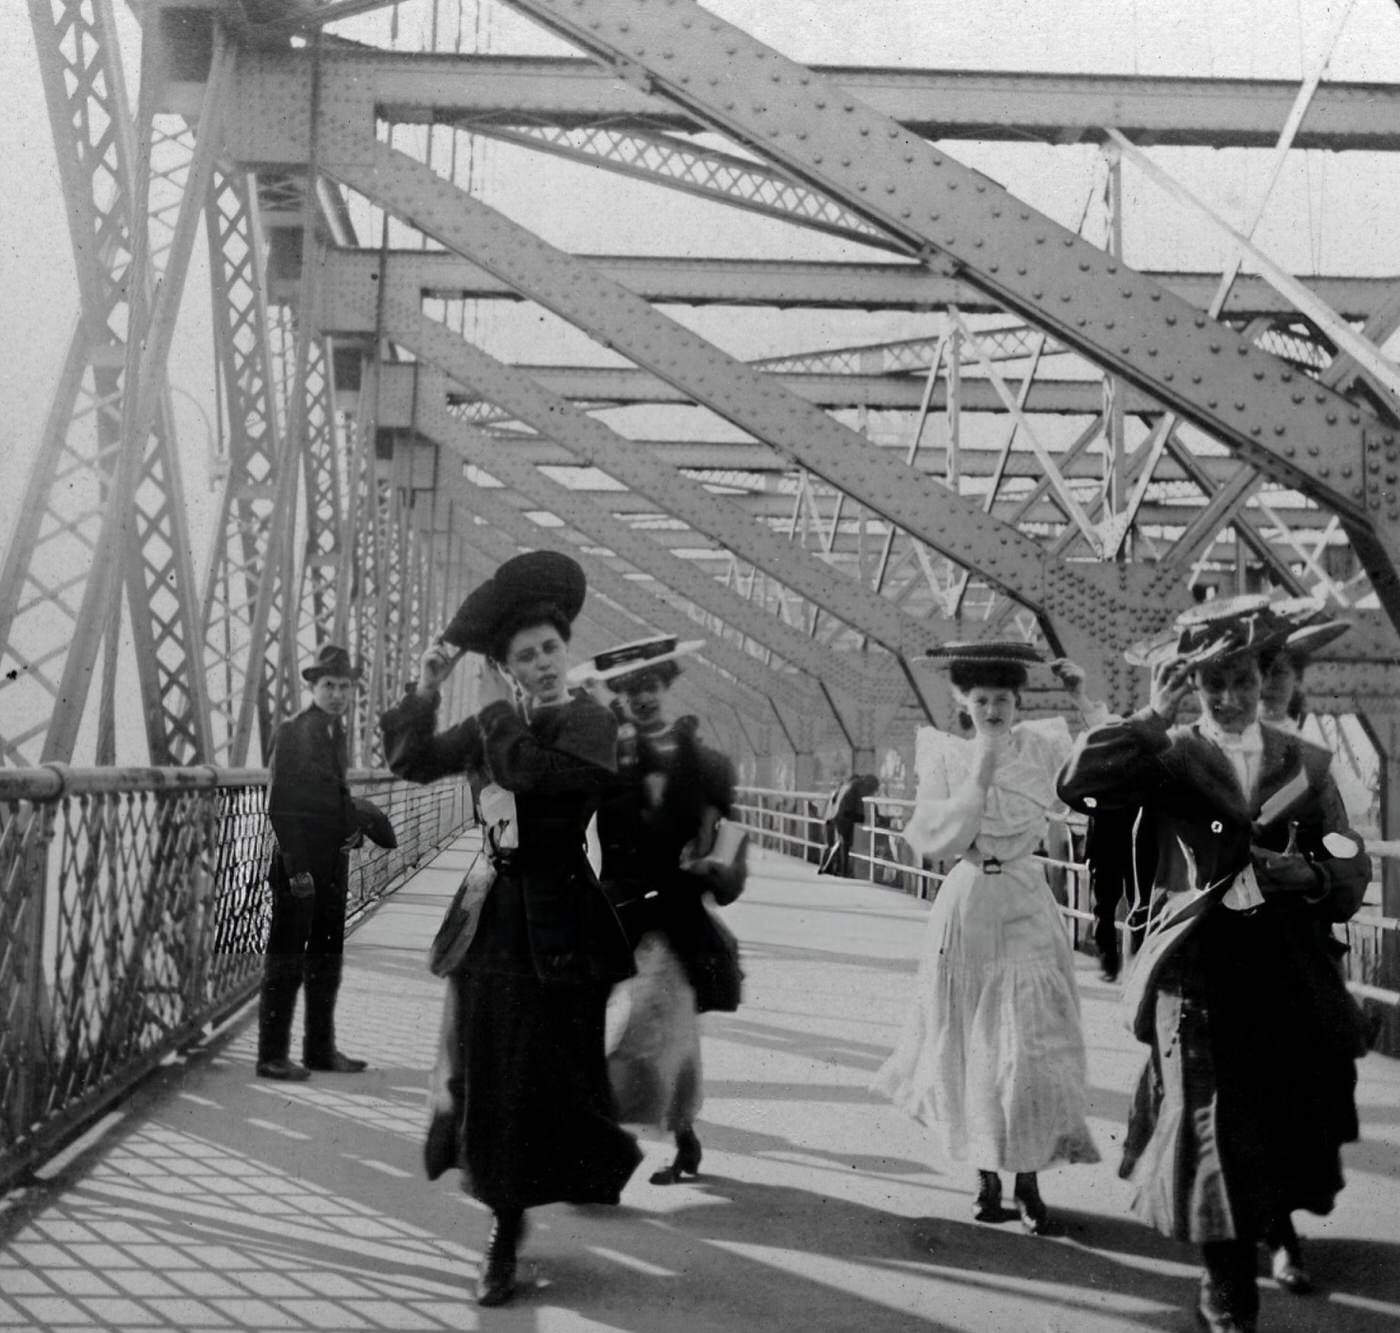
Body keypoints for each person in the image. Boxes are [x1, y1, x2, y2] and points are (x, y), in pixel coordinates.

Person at [1057, 595, 1371, 1333]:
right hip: (1198, 968)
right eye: (1210, 684)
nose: (1227, 698)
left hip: (1288, 966)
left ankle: (1280, 1233)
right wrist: (1150, 717)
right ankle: (1227, 1285)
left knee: (1287, 1113)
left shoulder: (1307, 763)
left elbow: (1348, 850)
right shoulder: (1169, 758)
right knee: (1210, 1121)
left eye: (1239, 680)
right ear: (1191, 687)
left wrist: (1314, 875)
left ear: (1265, 678)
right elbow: (1079, 780)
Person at [380, 552, 641, 1308]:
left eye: (551, 649)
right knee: (488, 1072)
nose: (543, 663)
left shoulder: (589, 720)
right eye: (525, 656)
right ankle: (503, 1228)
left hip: (562, 917)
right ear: (508, 666)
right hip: (492, 916)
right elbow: (413, 760)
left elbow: (533, 777)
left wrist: (494, 710)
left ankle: (559, 1179)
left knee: (552, 1073)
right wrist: (425, 689)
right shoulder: (499, 720)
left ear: (567, 651)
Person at [873, 641, 1100, 1235]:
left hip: (1026, 898)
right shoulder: (947, 756)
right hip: (969, 898)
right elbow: (939, 837)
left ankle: (1028, 1179)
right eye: (980, 700)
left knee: (1029, 1046)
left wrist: (1082, 700)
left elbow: (1107, 768)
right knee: (972, 1044)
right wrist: (982, 763)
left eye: (1003, 698)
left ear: (1017, 701)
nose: (993, 709)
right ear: (963, 704)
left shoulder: (1043, 747)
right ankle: (986, 1175)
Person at [575, 635, 741, 1187]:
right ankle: (684, 1136)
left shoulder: (706, 761)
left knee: (649, 1023)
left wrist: (718, 866)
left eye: (650, 685)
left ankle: (605, 1151)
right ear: (618, 695)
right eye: (629, 689)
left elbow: (730, 829)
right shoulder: (605, 756)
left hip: (677, 912)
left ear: (667, 686)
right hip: (617, 908)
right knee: (662, 1031)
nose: (642, 698)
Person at [256, 644, 368, 1082]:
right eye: (329, 686)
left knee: (326, 960)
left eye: (344, 687)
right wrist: (297, 867)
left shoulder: (334, 731)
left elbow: (334, 792)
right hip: (298, 868)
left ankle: (320, 1051)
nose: (338, 694)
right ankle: (271, 1056)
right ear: (312, 687)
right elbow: (281, 803)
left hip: (332, 863)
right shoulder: (294, 730)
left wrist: (351, 826)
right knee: (285, 962)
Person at [819, 772, 880, 876]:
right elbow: (862, 805)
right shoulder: (859, 785)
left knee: (838, 844)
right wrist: (870, 817)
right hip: (845, 817)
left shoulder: (848, 785)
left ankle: (834, 868)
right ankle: (842, 870)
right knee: (844, 844)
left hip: (836, 816)